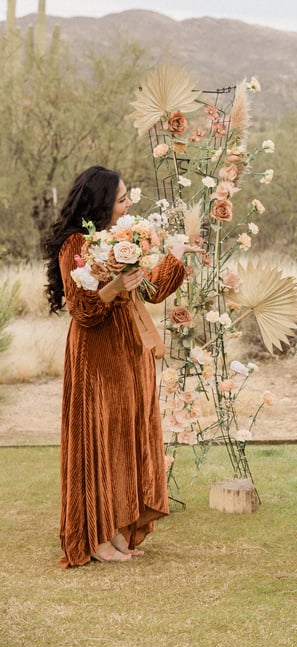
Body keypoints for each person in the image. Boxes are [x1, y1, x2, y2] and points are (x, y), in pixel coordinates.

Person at [43, 165, 196, 567]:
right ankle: (95, 536)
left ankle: (117, 528)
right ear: (101, 203)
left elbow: (151, 290)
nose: (128, 205)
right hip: (96, 356)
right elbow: (82, 310)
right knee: (101, 440)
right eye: (122, 199)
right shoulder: (75, 244)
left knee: (125, 440)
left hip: (129, 353)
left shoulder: (122, 239)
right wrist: (113, 286)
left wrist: (176, 255)